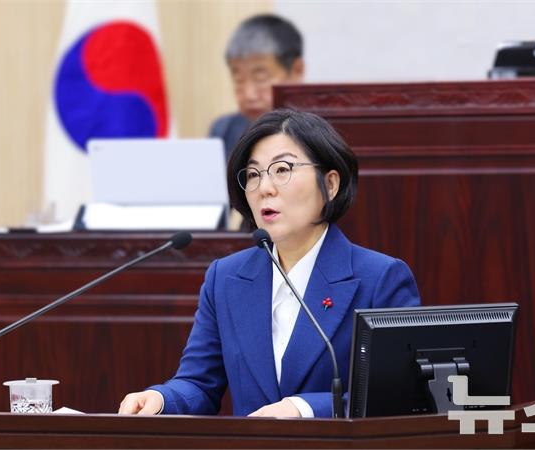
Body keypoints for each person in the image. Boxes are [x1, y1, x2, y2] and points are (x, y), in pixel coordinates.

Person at [119, 109, 420, 418]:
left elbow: (396, 396)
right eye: (253, 174)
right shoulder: (226, 278)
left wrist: (303, 408)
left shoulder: (380, 279)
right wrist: (161, 398)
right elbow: (198, 383)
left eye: (282, 169)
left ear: (330, 184)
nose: (264, 188)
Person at [209, 14, 304, 161]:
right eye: (239, 80)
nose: (249, 95)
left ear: (297, 70)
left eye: (261, 78)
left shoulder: (323, 131)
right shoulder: (224, 131)